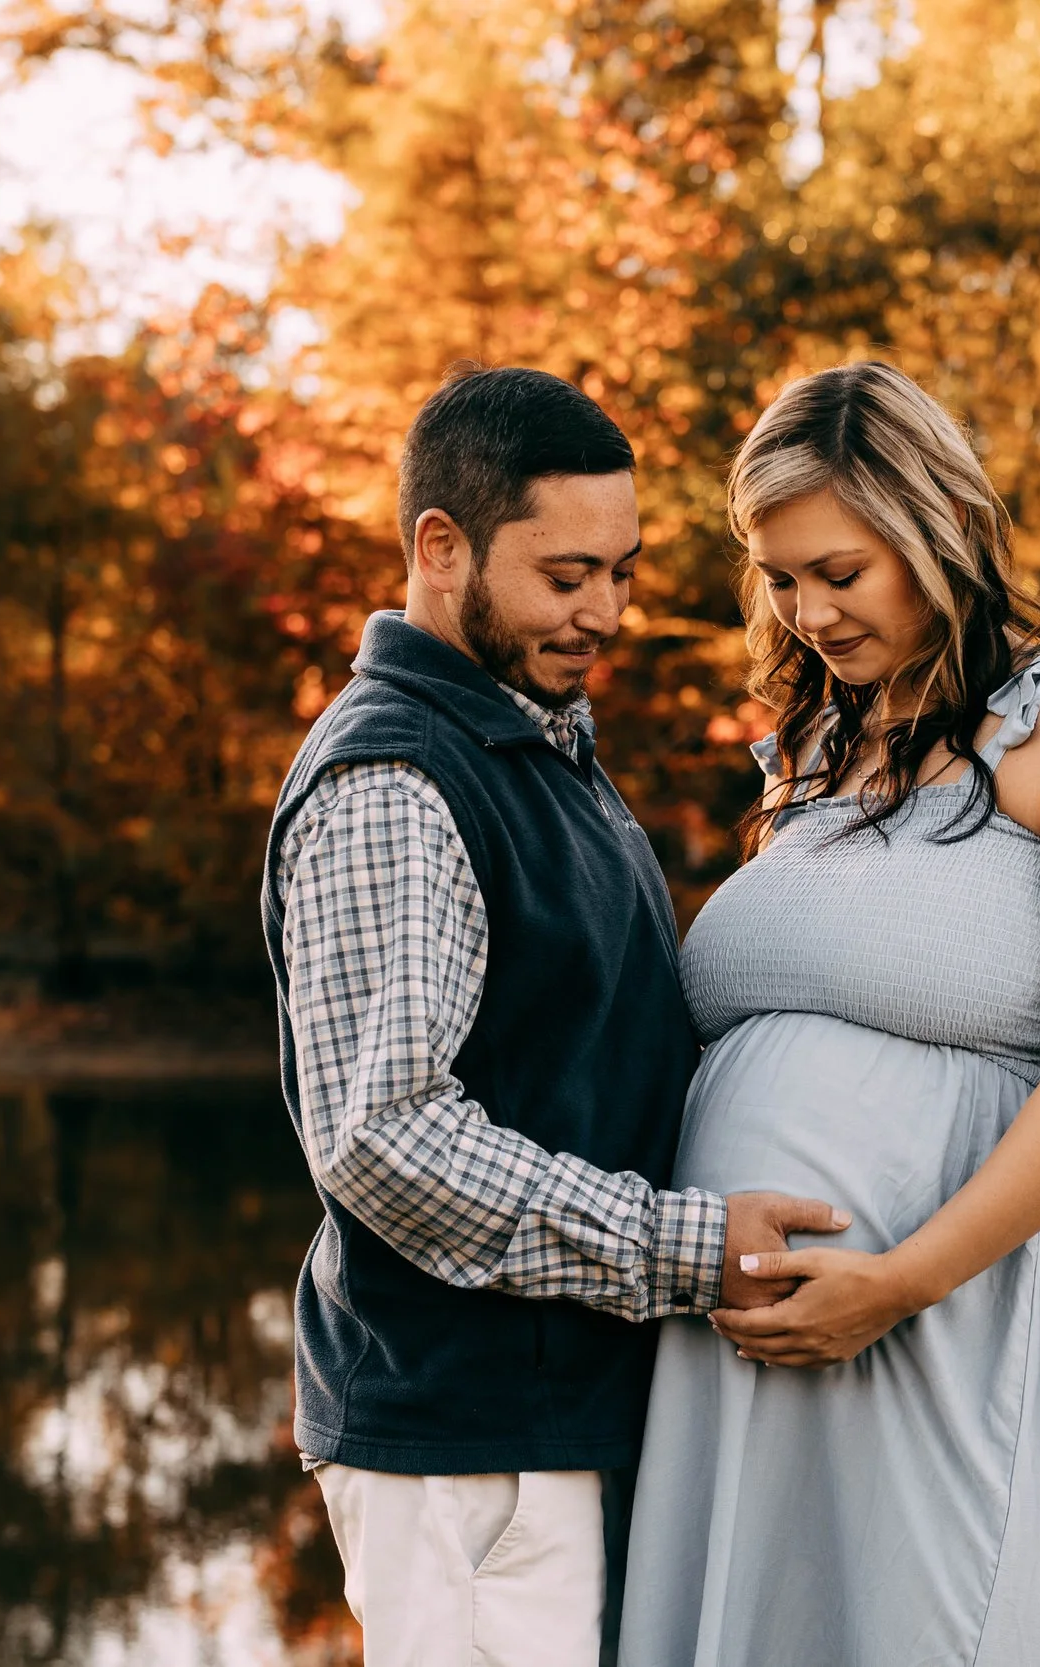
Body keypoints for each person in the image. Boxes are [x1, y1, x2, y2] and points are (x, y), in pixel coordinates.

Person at [619, 361, 1040, 1665]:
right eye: (779, 579)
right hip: (756, 1349)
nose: (808, 611)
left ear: (936, 533)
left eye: (841, 570)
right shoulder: (814, 755)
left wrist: (899, 1281)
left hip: (960, 1317)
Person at [259, 364, 845, 1666]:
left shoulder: (535, 742)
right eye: (568, 573)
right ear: (440, 546)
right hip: (471, 1453)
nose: (608, 611)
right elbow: (386, 1140)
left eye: (623, 572)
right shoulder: (397, 783)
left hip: (558, 1428)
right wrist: (691, 1251)